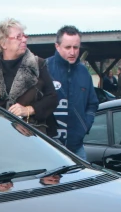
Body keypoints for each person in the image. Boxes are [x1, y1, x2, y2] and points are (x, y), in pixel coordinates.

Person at [0, 18, 58, 136]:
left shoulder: (37, 64)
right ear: (3, 43)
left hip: (30, 135)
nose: (23, 40)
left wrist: (28, 110)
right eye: (18, 37)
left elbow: (52, 98)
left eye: (24, 36)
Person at [47, 25, 99, 159]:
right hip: (48, 148)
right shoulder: (44, 69)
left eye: (76, 47)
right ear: (57, 46)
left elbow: (92, 103)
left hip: (76, 148)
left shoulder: (84, 72)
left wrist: (84, 126)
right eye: (67, 47)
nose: (72, 52)